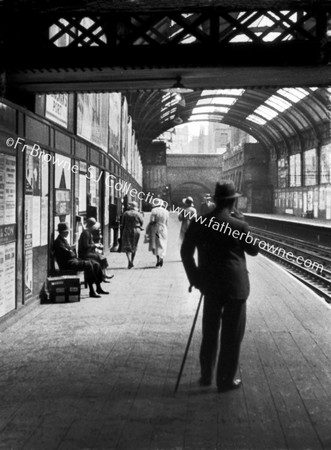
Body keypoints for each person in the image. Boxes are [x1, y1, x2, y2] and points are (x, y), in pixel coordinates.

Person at [180, 181, 259, 393]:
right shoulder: (238, 225)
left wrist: (196, 279)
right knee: (232, 335)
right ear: (233, 202)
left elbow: (185, 253)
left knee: (210, 331)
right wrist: (243, 223)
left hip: (210, 286)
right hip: (236, 287)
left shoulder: (199, 222)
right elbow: (254, 251)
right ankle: (225, 381)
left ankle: (206, 376)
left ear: (215, 201)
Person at [53, 222, 109, 298]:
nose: (68, 233)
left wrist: (71, 250)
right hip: (68, 263)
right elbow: (70, 254)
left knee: (96, 264)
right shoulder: (58, 242)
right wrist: (71, 250)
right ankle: (92, 291)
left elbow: (70, 251)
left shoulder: (63, 240)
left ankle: (99, 287)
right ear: (62, 232)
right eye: (66, 231)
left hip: (73, 260)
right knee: (88, 265)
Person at [78, 217, 113, 282]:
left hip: (88, 252)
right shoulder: (86, 233)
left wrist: (96, 245)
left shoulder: (88, 232)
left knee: (102, 257)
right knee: (99, 257)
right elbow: (86, 246)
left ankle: (104, 274)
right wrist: (95, 245)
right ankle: (103, 275)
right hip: (84, 254)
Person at [121, 201, 144, 269]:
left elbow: (122, 223)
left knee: (127, 245)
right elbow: (141, 222)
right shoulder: (138, 213)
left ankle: (129, 260)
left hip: (127, 229)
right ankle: (132, 261)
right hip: (136, 230)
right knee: (134, 245)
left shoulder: (125, 213)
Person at [147, 199, 169, 267]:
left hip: (156, 228)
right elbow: (167, 222)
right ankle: (161, 257)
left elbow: (152, 221)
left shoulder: (154, 211)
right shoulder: (166, 211)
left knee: (156, 244)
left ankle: (158, 259)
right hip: (164, 228)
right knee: (163, 243)